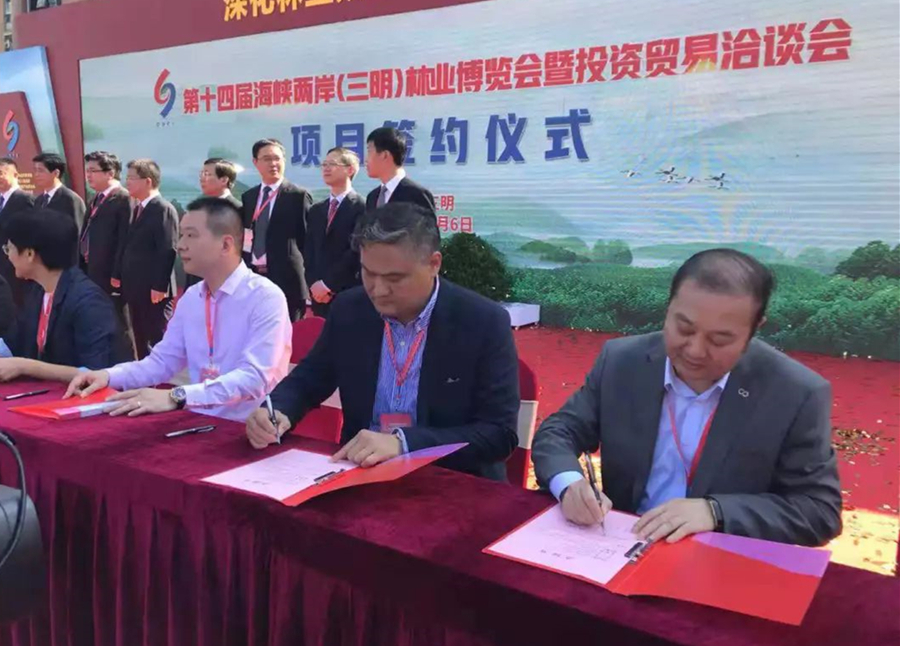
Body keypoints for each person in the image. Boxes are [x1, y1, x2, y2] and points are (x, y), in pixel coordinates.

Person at [532, 249, 842, 547]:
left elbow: (818, 511)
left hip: (718, 560)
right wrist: (569, 483)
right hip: (621, 545)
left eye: (719, 339)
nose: (695, 350)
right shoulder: (623, 361)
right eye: (684, 328)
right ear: (668, 308)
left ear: (754, 329)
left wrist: (716, 512)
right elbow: (559, 431)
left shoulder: (794, 392)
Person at [246, 202, 520, 481]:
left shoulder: (482, 321)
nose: (377, 290)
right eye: (368, 273)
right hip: (360, 474)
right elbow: (309, 379)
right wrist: (277, 410)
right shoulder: (351, 309)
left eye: (394, 278)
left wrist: (404, 443)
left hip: (450, 482)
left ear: (433, 264)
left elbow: (499, 433)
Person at [65, 197, 292, 422]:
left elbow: (255, 378)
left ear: (225, 244)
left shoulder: (264, 298)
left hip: (251, 428)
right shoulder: (192, 297)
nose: (181, 244)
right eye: (181, 235)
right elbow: (162, 362)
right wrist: (107, 376)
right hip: (199, 420)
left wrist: (177, 396)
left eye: (191, 235)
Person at [0, 209, 128, 383]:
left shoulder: (88, 302)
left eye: (9, 249)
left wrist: (26, 366)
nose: (8, 256)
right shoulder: (38, 290)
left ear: (29, 254)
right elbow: (15, 341)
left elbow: (96, 373)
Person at [241, 139, 312, 321]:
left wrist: (309, 281)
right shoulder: (249, 197)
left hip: (287, 280)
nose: (273, 163)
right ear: (255, 162)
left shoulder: (297, 196)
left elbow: (308, 242)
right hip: (254, 277)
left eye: (277, 158)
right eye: (267, 159)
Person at [114, 159, 178, 359]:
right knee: (140, 338)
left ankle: (160, 376)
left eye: (132, 178)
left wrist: (159, 286)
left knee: (155, 338)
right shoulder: (138, 208)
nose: (127, 182)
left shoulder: (162, 209)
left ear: (148, 181)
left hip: (153, 290)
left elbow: (167, 249)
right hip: (135, 287)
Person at [304, 147, 366, 317]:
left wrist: (327, 285)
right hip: (317, 294)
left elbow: (356, 251)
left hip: (347, 292)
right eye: (324, 164)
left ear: (350, 170)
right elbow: (309, 250)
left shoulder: (362, 207)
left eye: (332, 164)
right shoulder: (317, 209)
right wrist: (313, 284)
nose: (326, 168)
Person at [81, 151, 131, 296]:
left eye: (93, 171)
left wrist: (117, 273)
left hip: (109, 276)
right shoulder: (95, 198)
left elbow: (124, 240)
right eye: (87, 171)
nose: (88, 175)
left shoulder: (123, 199)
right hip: (91, 271)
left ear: (110, 173)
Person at [364, 127, 436, 215]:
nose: (365, 160)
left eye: (369, 151)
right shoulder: (372, 197)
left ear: (385, 155)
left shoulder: (417, 195)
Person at [0, 157, 36, 306]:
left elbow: (31, 235)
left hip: (15, 270)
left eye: (1, 173)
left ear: (15, 175)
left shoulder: (25, 200)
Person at [32, 152, 86, 231]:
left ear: (56, 173)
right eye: (35, 170)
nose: (36, 174)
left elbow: (80, 230)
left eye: (40, 170)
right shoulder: (39, 200)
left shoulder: (71, 199)